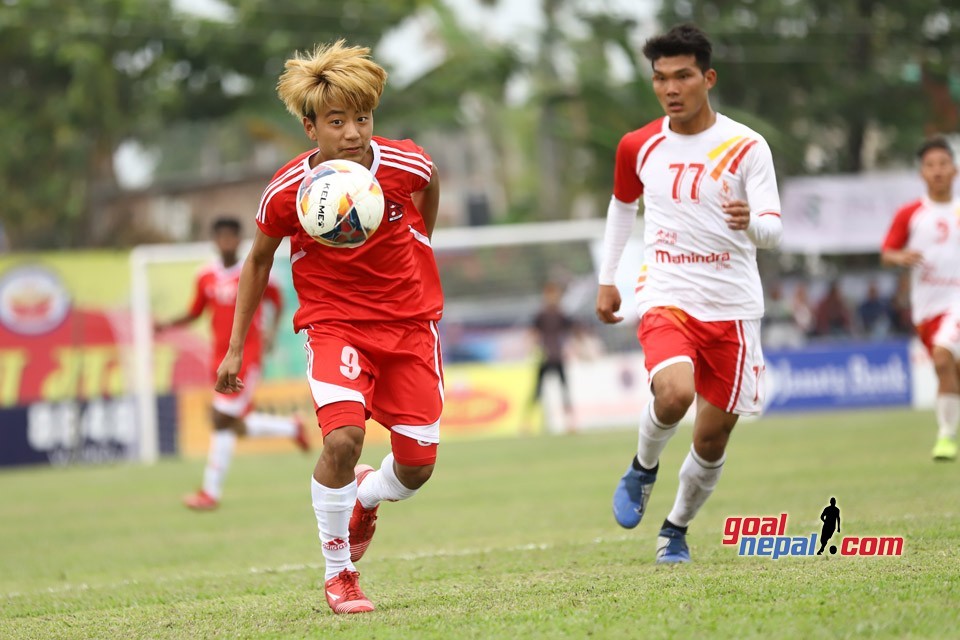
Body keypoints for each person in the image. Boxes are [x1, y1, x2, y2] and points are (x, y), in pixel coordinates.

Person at [214, 41, 443, 614]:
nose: (353, 133)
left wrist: (421, 238)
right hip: (333, 323)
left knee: (417, 467)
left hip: (410, 325)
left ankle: (368, 494)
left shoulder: (403, 161)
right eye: (337, 122)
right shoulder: (287, 190)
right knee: (342, 439)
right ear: (310, 126)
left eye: (362, 119)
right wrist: (235, 349)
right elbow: (259, 261)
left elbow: (430, 182)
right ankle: (339, 574)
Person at [595, 24, 783, 564]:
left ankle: (675, 527)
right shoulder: (639, 145)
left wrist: (752, 223)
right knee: (673, 394)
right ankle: (642, 466)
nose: (670, 88)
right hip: (667, 292)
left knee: (711, 440)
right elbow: (621, 206)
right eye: (660, 79)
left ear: (708, 78)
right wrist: (608, 278)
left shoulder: (747, 145)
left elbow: (773, 227)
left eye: (682, 76)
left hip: (734, 309)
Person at [156, 217, 309, 510]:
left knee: (220, 420)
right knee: (233, 425)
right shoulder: (205, 277)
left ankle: (210, 493)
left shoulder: (254, 271)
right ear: (214, 240)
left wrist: (270, 333)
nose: (226, 242)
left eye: (231, 237)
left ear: (240, 240)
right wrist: (167, 325)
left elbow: (276, 301)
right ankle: (291, 428)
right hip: (218, 358)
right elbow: (195, 311)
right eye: (221, 237)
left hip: (246, 356)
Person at [882, 136, 960, 461]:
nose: (938, 171)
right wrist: (900, 258)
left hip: (957, 301)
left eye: (943, 164)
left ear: (954, 170)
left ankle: (945, 438)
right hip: (927, 308)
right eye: (930, 166)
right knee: (949, 370)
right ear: (922, 173)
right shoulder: (910, 213)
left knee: (943, 357)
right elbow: (887, 252)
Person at [525, 281, 576, 432]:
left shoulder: (561, 315)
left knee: (564, 390)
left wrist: (571, 348)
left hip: (558, 357)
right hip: (544, 357)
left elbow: (571, 333)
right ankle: (527, 423)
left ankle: (570, 423)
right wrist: (532, 348)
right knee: (537, 390)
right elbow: (533, 333)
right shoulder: (541, 315)